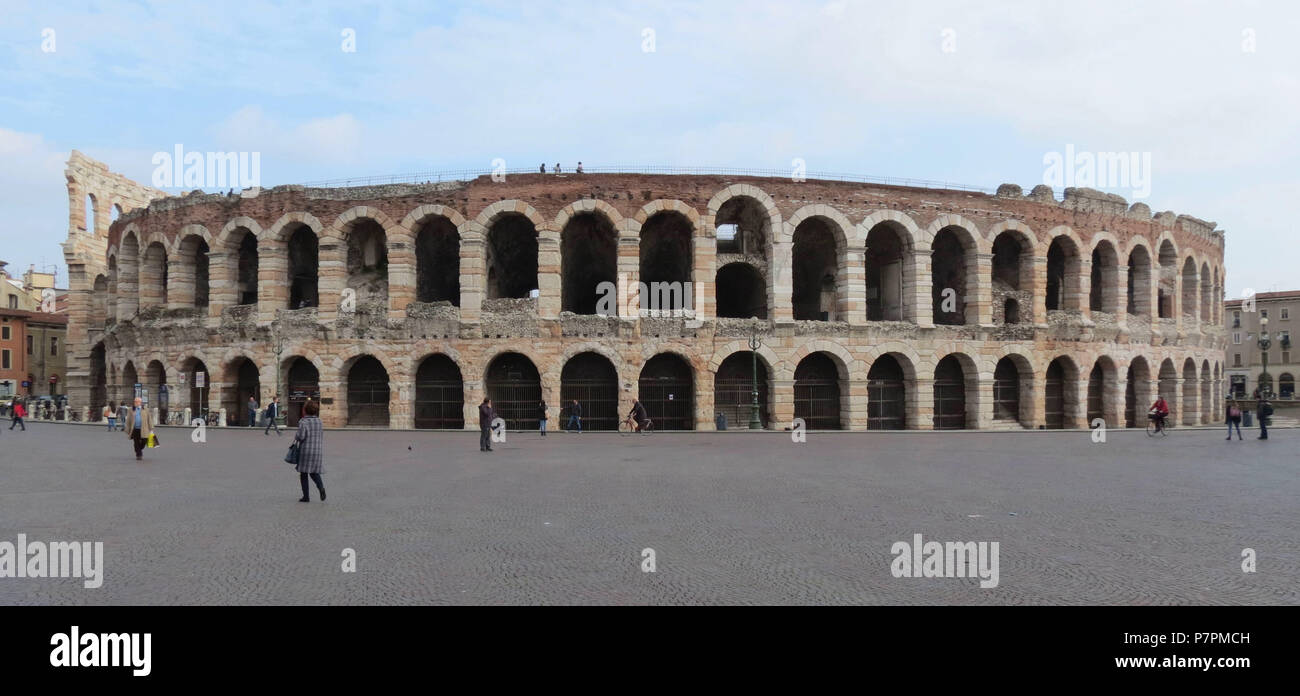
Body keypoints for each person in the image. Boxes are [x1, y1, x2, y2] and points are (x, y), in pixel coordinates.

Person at [293, 399, 326, 502]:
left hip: (306, 450)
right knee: (314, 472)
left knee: (303, 473)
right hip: (317, 450)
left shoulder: (303, 421)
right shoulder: (319, 421)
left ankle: (306, 496)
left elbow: (301, 436)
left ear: (305, 410)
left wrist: (296, 436)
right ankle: (321, 488)